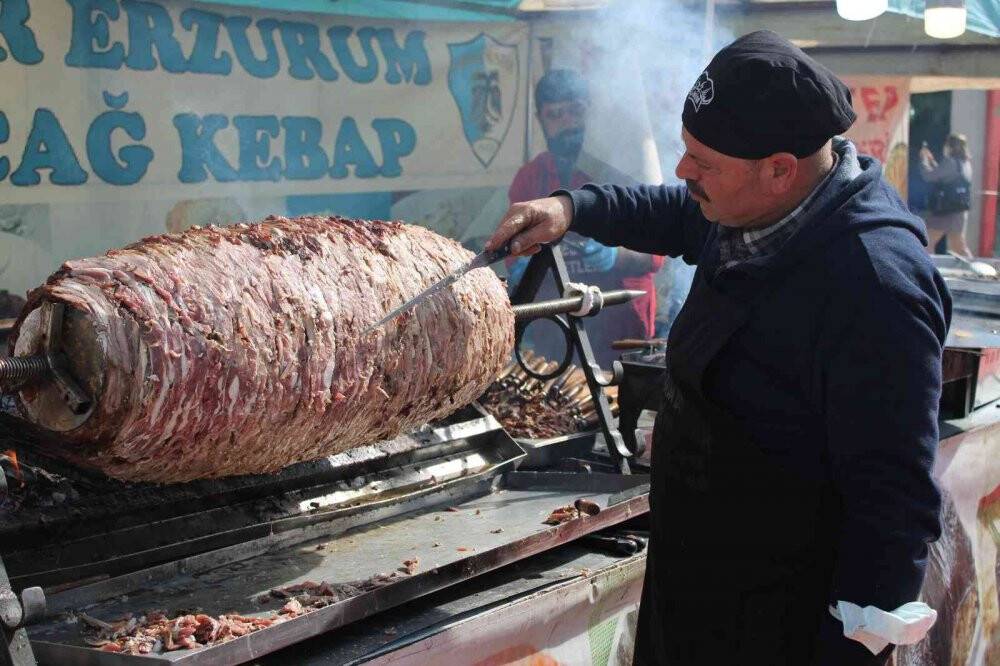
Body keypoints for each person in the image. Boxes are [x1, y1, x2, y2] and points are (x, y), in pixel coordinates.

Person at [487, 31, 949, 665]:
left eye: (704, 164)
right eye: (686, 151)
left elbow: (894, 510)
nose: (684, 172)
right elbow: (672, 211)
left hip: (778, 625)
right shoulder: (755, 207)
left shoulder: (873, 287)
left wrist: (848, 651)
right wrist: (572, 207)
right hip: (695, 587)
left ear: (779, 169)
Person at [507, 69, 664, 366]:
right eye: (555, 115)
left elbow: (655, 255)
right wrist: (521, 266)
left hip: (621, 328)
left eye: (575, 111)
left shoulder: (621, 168)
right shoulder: (529, 178)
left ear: (589, 111)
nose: (567, 122)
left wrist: (613, 256)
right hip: (556, 331)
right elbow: (514, 253)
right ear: (541, 120)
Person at [920, 133, 974, 257]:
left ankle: (927, 268)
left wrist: (924, 160)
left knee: (927, 242)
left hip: (946, 210)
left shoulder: (950, 162)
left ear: (950, 146)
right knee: (959, 246)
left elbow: (929, 176)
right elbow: (946, 175)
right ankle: (974, 267)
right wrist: (932, 161)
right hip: (959, 210)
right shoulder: (965, 163)